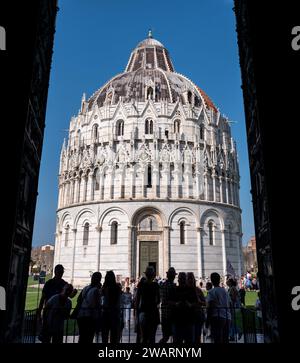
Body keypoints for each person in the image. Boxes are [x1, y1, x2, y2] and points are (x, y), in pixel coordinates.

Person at [136, 266, 160, 344]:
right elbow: (158, 300)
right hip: (153, 313)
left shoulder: (141, 285)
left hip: (143, 312)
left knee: (143, 337)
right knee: (152, 337)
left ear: (146, 275)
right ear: (153, 275)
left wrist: (137, 313)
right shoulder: (156, 285)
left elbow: (137, 299)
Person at [172, 272, 198, 344]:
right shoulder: (175, 289)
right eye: (181, 278)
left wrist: (190, 305)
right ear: (178, 280)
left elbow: (196, 302)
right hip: (178, 320)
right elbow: (169, 302)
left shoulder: (191, 289)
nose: (182, 280)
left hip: (189, 320)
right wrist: (176, 304)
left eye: (183, 278)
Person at [77, 272, 102, 343]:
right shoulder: (96, 290)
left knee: (82, 338)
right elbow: (96, 305)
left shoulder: (85, 288)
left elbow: (79, 300)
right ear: (99, 280)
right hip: (90, 317)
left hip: (81, 316)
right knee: (89, 338)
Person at [206, 272, 231, 343]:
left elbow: (210, 306)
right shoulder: (225, 291)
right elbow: (229, 303)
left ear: (211, 280)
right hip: (227, 316)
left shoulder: (211, 292)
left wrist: (208, 320)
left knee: (217, 339)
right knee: (225, 339)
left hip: (217, 317)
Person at [101, 270, 122, 343]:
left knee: (105, 336)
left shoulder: (104, 288)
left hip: (106, 313)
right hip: (115, 313)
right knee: (114, 337)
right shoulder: (117, 287)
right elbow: (118, 302)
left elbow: (104, 301)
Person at [159, 267, 177, 343]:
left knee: (165, 337)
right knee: (173, 337)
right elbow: (166, 300)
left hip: (165, 315)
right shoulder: (171, 285)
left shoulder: (163, 285)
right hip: (170, 315)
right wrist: (176, 303)